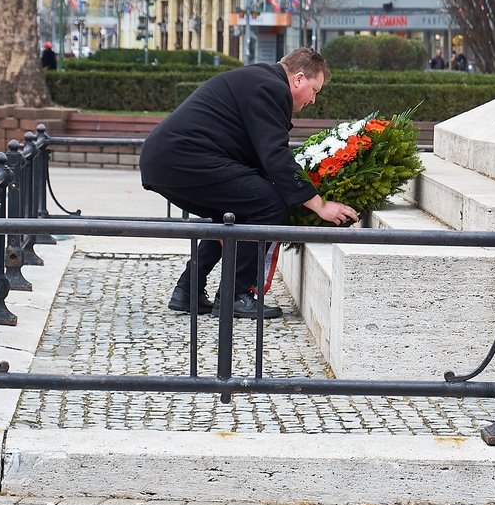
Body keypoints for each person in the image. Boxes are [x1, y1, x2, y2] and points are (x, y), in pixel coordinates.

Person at [139, 47, 359, 319]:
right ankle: (235, 295)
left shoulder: (261, 80)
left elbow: (262, 159)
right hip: (183, 158)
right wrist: (320, 204)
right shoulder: (271, 88)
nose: (314, 100)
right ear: (299, 79)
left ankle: (188, 290)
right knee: (268, 205)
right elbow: (275, 155)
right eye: (315, 90)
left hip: (169, 160)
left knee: (233, 214)